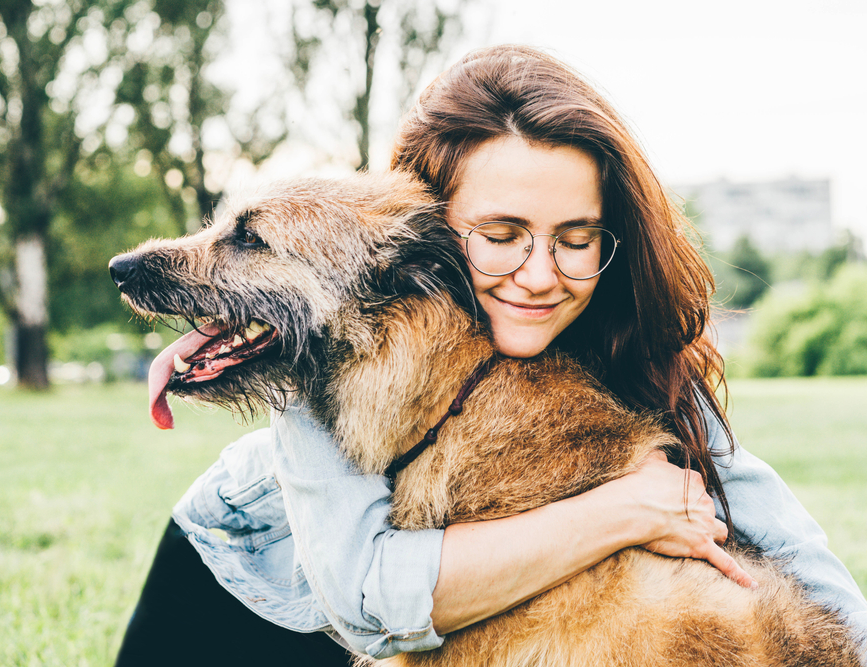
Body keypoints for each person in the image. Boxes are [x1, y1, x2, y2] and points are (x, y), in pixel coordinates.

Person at [114, 45, 867, 665]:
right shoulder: (348, 341)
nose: (539, 275)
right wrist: (622, 510)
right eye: (501, 235)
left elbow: (796, 554)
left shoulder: (624, 334)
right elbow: (369, 599)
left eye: (574, 239)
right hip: (253, 582)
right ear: (432, 238)